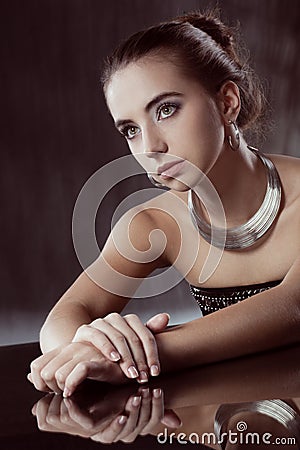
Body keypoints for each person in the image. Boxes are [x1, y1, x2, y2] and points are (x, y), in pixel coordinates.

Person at [28, 9, 300, 400]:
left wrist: (137, 356)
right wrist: (99, 343)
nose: (150, 147)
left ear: (226, 103)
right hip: (226, 425)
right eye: (131, 130)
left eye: (166, 109)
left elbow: (293, 310)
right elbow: (58, 324)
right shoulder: (153, 223)